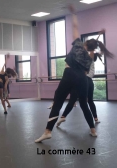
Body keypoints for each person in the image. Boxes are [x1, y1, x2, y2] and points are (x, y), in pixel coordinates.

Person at [35, 5, 113, 143]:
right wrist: (95, 45)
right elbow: (87, 69)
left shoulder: (77, 44)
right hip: (83, 79)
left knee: (58, 102)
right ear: (93, 48)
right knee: (84, 104)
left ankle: (48, 131)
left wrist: (74, 13)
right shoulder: (89, 58)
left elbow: (75, 28)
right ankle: (93, 130)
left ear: (85, 43)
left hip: (69, 75)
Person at [56, 31, 106, 126]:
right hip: (89, 81)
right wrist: (96, 41)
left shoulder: (85, 56)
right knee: (89, 101)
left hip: (81, 80)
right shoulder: (91, 56)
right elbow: (95, 50)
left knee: (73, 100)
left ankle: (63, 117)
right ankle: (95, 118)